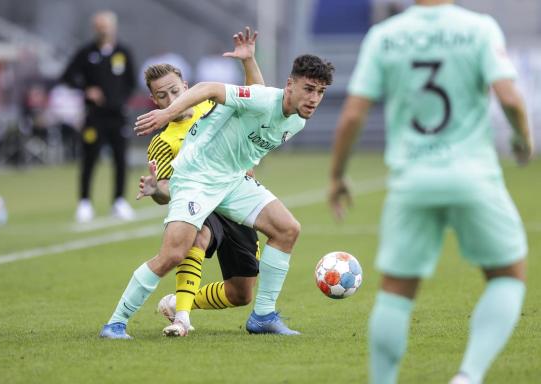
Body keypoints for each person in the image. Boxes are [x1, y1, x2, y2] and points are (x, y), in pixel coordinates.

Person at [328, 1, 534, 384]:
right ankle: (468, 376)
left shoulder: (384, 36)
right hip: (473, 175)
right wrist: (524, 140)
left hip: (412, 180)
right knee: (508, 275)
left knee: (395, 292)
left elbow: (353, 114)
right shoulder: (479, 28)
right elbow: (508, 97)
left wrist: (337, 176)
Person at [102, 53, 334, 339]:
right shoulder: (265, 99)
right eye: (309, 89)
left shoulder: (297, 120)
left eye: (321, 92)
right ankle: (116, 322)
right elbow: (209, 88)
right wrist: (167, 113)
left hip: (231, 180)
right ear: (290, 85)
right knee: (173, 254)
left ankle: (263, 316)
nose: (314, 98)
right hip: (196, 175)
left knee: (287, 229)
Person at [135, 27, 265, 337]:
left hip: (237, 197)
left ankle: (179, 302)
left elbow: (257, 98)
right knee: (198, 236)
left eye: (175, 91)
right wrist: (156, 190)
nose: (171, 99)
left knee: (241, 294)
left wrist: (248, 61)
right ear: (154, 100)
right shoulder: (163, 141)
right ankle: (182, 319)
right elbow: (168, 190)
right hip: (202, 201)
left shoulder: (214, 108)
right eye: (162, 96)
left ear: (187, 86)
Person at [61, 10, 136, 223]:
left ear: (113, 27)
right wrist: (86, 89)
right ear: (95, 28)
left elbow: (131, 82)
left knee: (121, 159)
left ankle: (119, 200)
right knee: (89, 159)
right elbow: (67, 76)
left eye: (106, 26)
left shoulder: (123, 52)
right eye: (99, 26)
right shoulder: (86, 53)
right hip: (94, 116)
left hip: (117, 116)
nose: (103, 30)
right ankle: (84, 202)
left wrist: (119, 99)